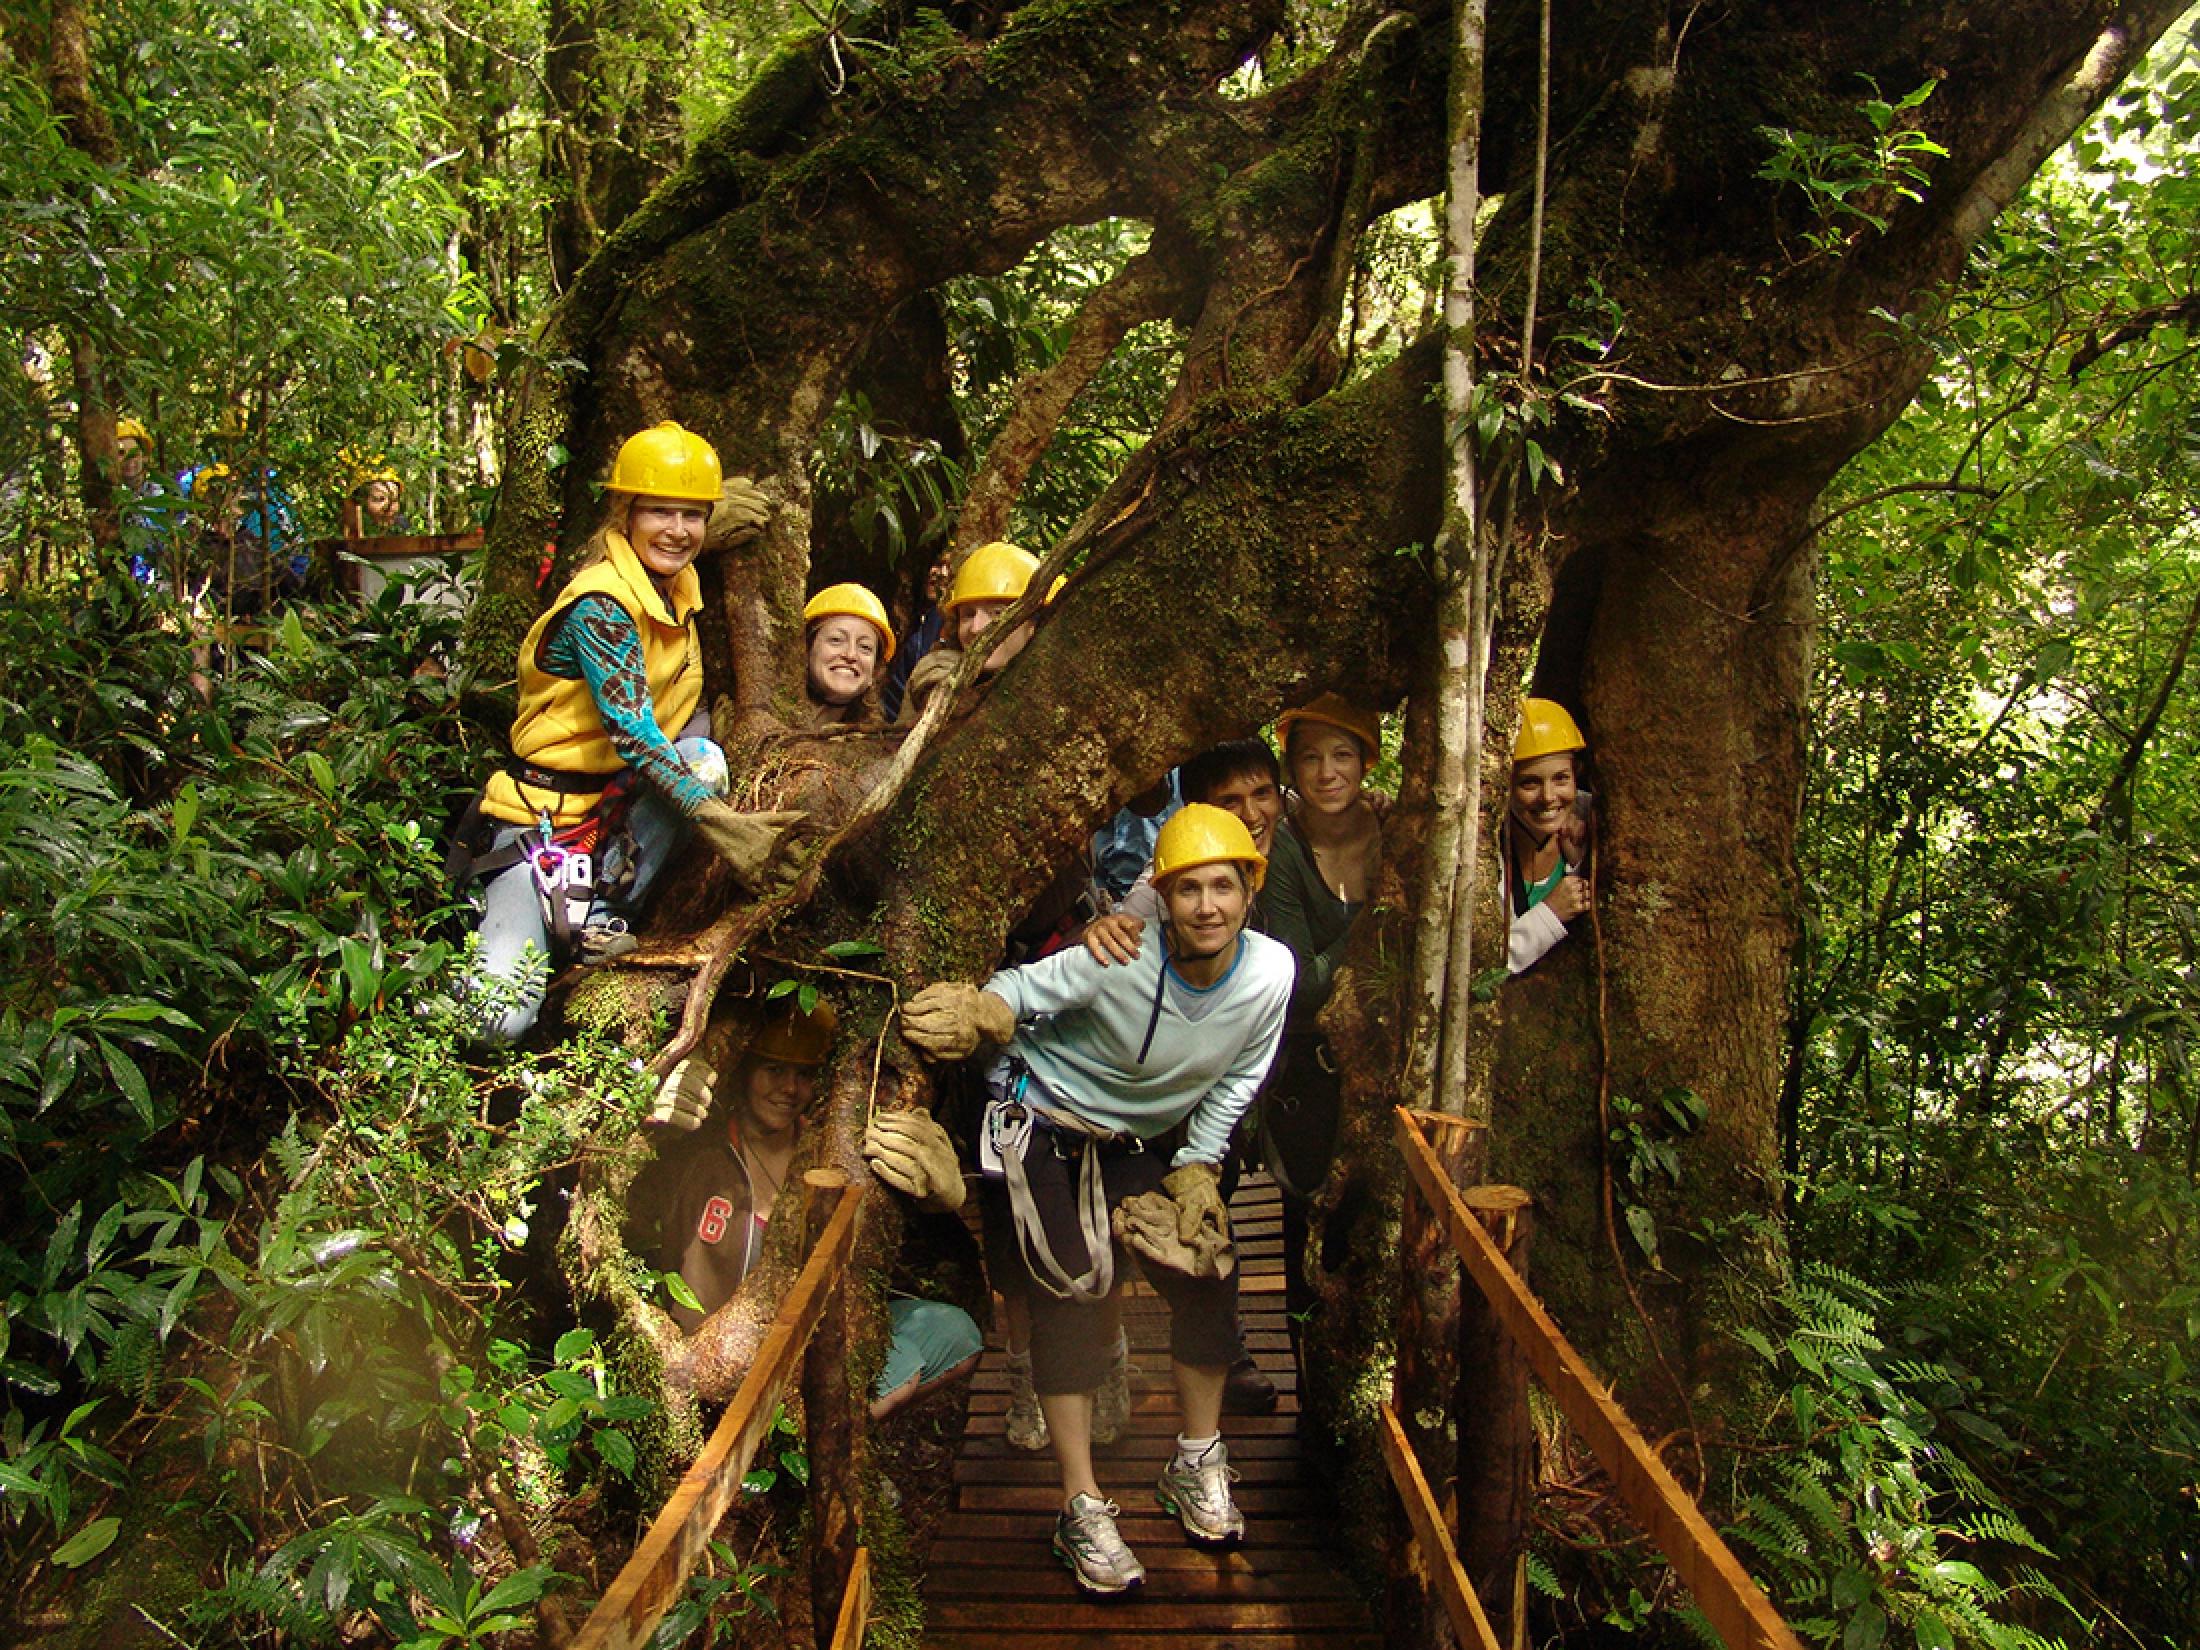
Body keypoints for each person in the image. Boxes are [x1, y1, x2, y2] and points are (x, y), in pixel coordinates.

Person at [903, 804, 1294, 1598]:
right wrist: (985, 1011)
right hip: (1043, 1117)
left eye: (1224, 886)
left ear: (1250, 891)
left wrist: (1197, 1168)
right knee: (1074, 1290)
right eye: (1188, 890)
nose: (1208, 906)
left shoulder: (1271, 974)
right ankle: (1080, 1504)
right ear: (1164, 899)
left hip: (1140, 1143)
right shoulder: (1120, 957)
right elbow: (1018, 988)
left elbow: (1237, 1080)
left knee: (1209, 1269)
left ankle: (1196, 1461)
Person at [458, 421, 803, 1045]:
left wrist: (703, 539)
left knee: (703, 759)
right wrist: (726, 828)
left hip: (619, 813)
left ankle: (602, 918)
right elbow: (635, 733)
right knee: (496, 1022)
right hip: (542, 825)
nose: (677, 530)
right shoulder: (602, 604)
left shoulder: (675, 587)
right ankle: (433, 985)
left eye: (691, 515)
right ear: (626, 514)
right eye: (659, 512)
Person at [647, 1001, 982, 1419]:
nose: (789, 1088)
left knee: (952, 1333)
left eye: (803, 1075)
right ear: (745, 1073)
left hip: (826, 1329)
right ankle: (812, 1458)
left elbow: (901, 1247)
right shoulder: (705, 1155)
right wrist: (648, 1112)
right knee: (899, 1371)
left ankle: (834, 1450)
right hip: (732, 1348)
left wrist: (937, 1196)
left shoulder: (829, 1148)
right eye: (774, 1070)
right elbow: (635, 1202)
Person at [894, 539, 1058, 724]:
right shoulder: (939, 665)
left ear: (1035, 622)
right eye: (968, 615)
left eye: (998, 614)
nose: (976, 627)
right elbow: (939, 688)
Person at [1505, 698, 1595, 974]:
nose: (1548, 798)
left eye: (1561, 779)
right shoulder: (1488, 847)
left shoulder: (1592, 814)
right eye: (1529, 783)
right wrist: (1550, 914)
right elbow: (1479, 968)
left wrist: (1580, 860)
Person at [800, 582, 894, 726]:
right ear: (806, 649)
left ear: (875, 671)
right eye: (836, 640)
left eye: (865, 647)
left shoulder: (875, 742)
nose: (850, 655)